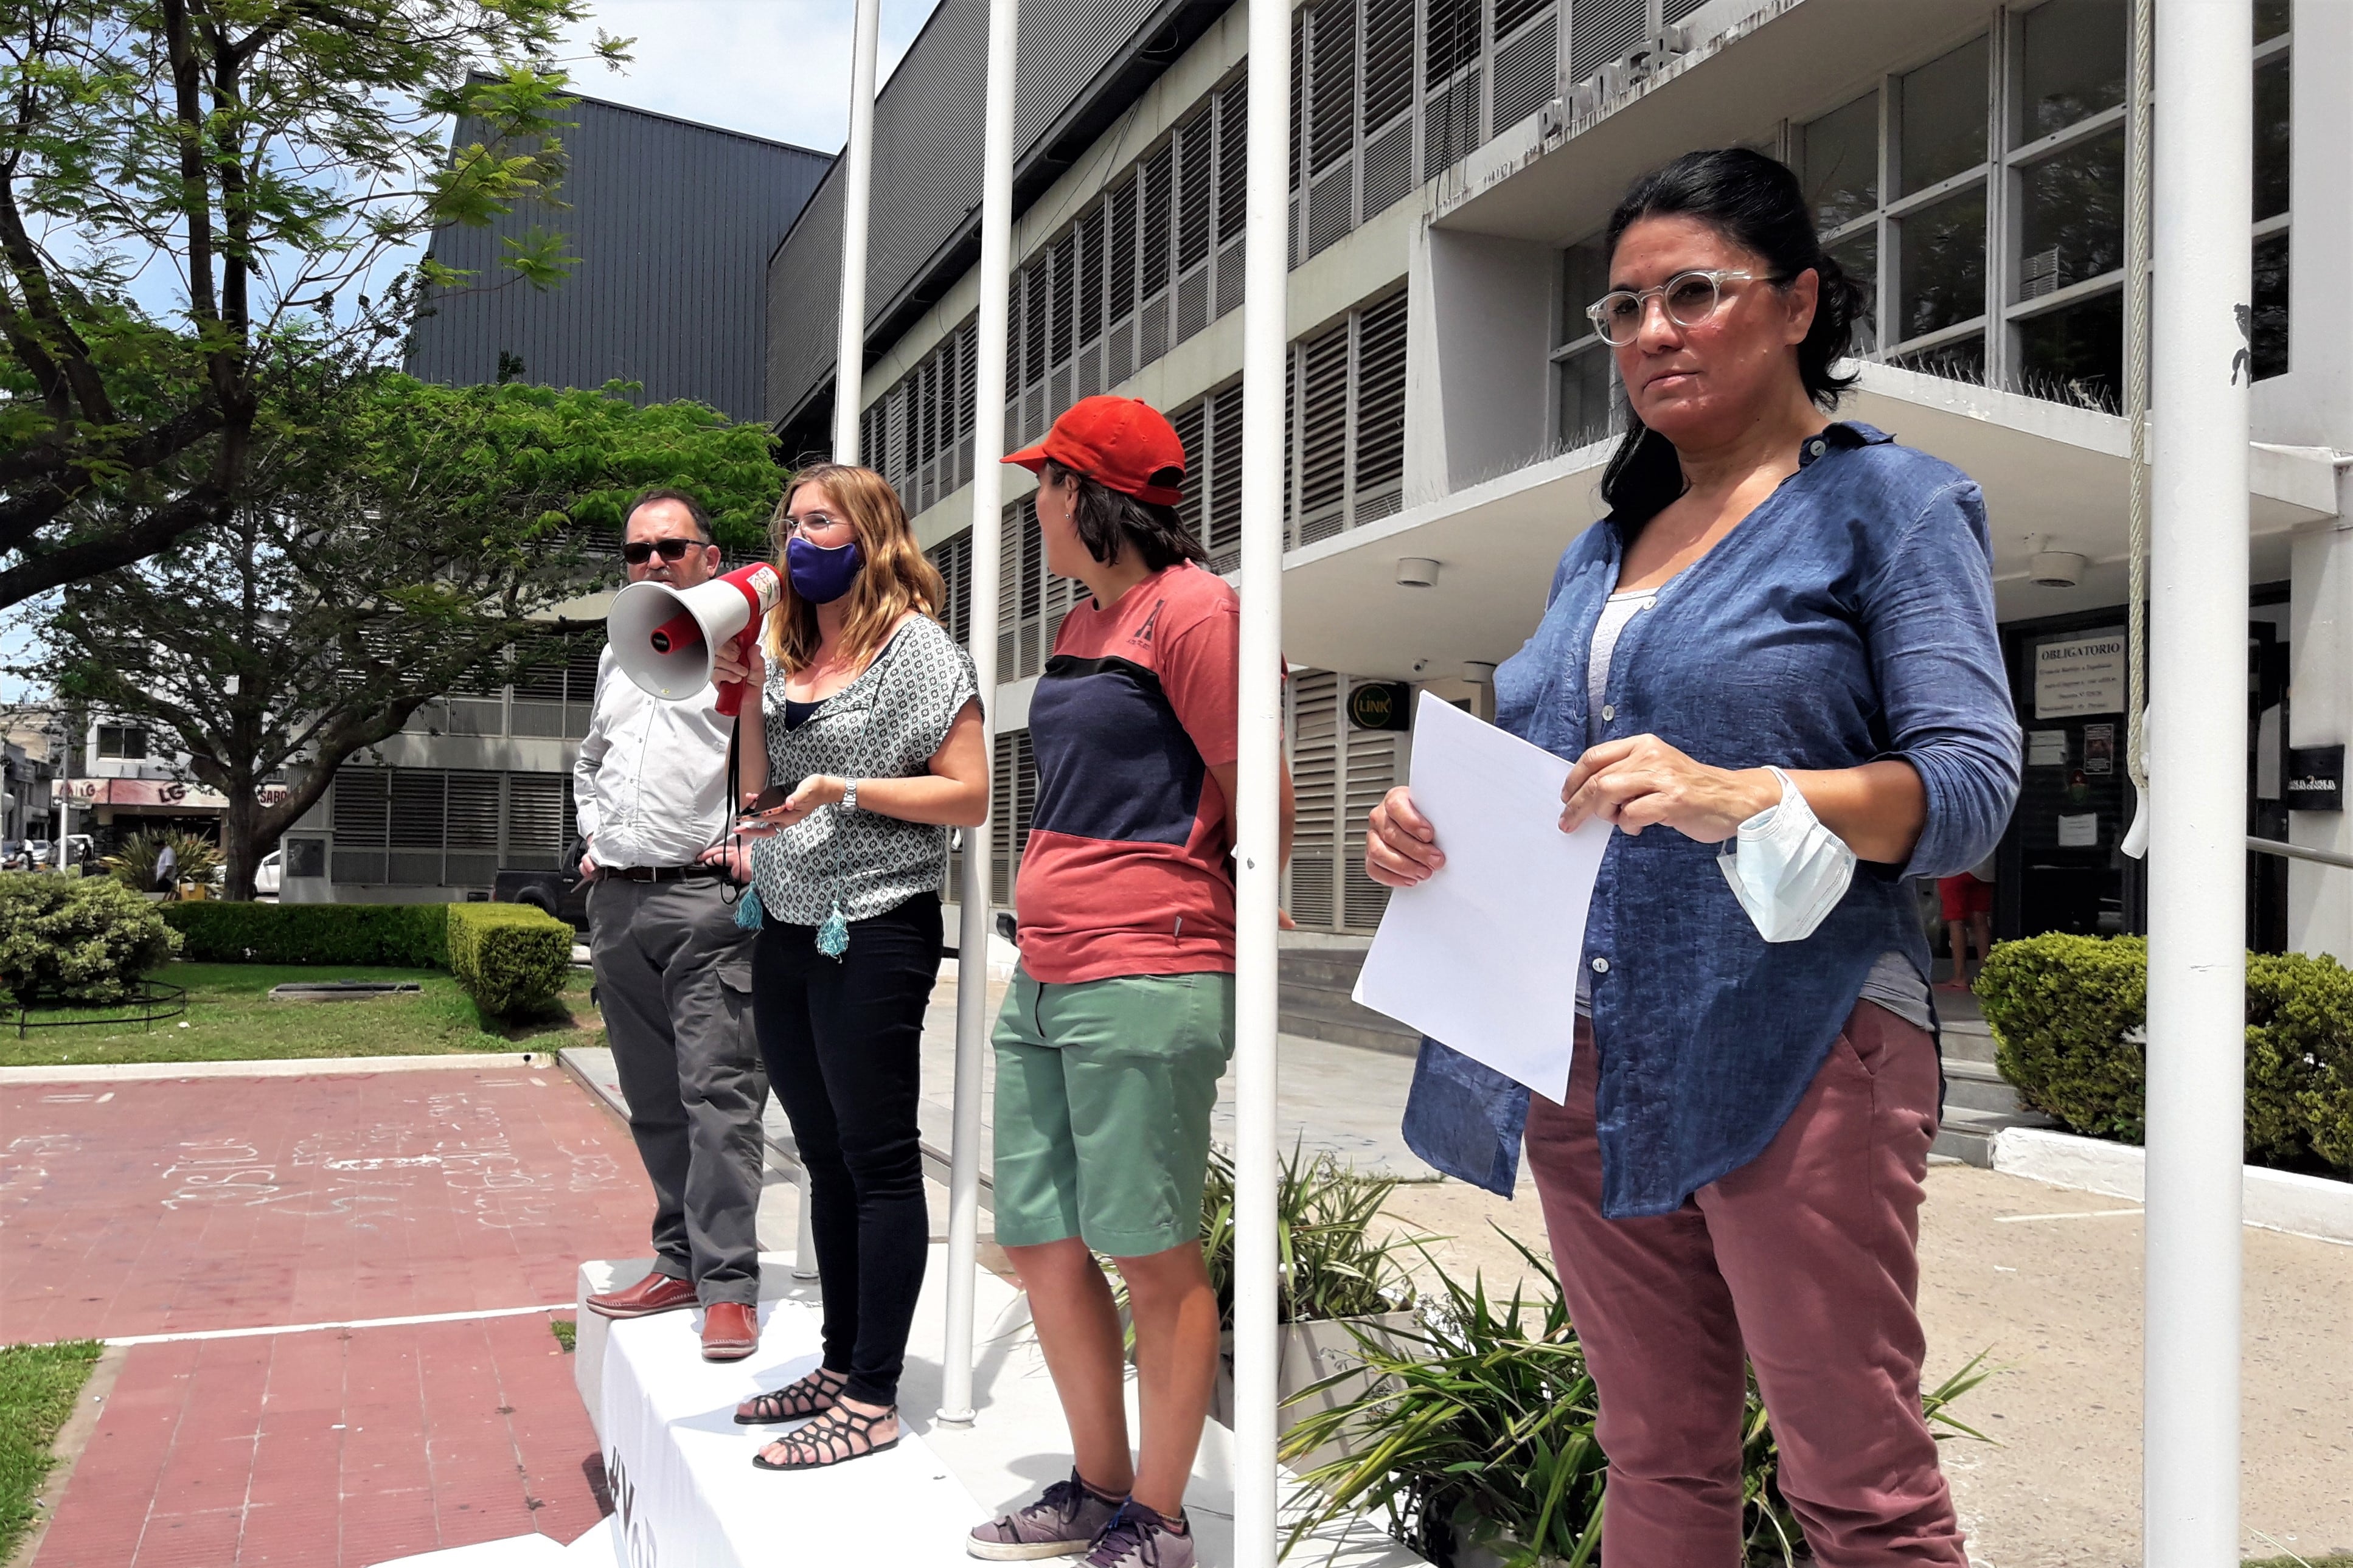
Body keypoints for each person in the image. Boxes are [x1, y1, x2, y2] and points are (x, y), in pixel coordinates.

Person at [1368, 149, 2020, 1565]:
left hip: (1795, 1035)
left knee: (1856, 1480)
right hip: (1586, 1045)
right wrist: (1433, 833)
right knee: (1653, 1457)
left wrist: (1743, 789)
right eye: (1621, 310)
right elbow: (1564, 788)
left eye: (1693, 292)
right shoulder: (1598, 553)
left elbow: (1969, 790)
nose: (1650, 331)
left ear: (1795, 304)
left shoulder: (1887, 508)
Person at [967, 397, 1295, 1568]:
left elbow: (1261, 789)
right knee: (1039, 1235)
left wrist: (1236, 914)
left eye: (1042, 485)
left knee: (1150, 1250)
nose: (1033, 506)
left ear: (1086, 496)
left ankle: (1158, 1518)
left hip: (1148, 966)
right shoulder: (1082, 620)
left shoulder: (1196, 610)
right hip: (1047, 970)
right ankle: (1096, 1482)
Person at [715, 463, 986, 1471]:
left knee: (875, 1157)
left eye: (816, 520)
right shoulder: (790, 647)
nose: (795, 537)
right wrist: (746, 697)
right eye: (789, 522)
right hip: (784, 919)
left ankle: (874, 1392)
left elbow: (967, 796)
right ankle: (837, 1362)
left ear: (869, 532)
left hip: (873, 925)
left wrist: (847, 787)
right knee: (820, 1152)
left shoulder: (913, 650)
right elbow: (759, 789)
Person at [578, 488, 770, 1363]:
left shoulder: (747, 640)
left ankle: (729, 1284)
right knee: (653, 1098)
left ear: (708, 554)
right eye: (637, 553)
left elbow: (786, 754)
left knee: (719, 1097)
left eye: (671, 548)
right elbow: (592, 758)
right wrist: (595, 838)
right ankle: (678, 1259)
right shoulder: (620, 656)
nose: (652, 563)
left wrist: (754, 836)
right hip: (618, 900)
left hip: (703, 899)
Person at [1937, 853, 1995, 991]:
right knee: (1980, 920)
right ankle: (1986, 975)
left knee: (1956, 920)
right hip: (1984, 868)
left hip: (1954, 865)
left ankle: (1960, 976)